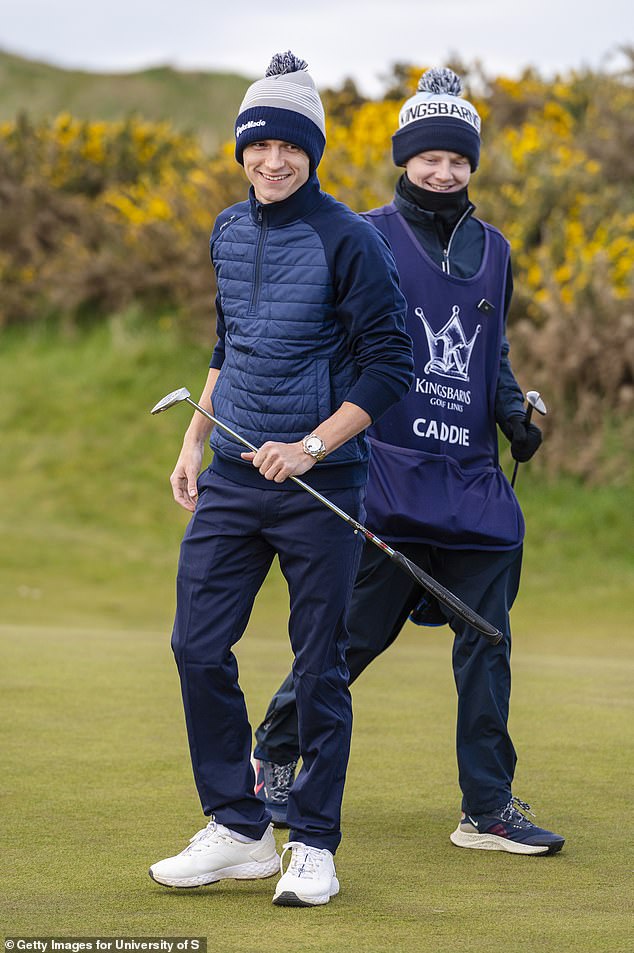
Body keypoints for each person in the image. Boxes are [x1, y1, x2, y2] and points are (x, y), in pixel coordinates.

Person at [252, 67, 565, 856]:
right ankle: (272, 758)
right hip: (382, 474)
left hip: (471, 485)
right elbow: (326, 345)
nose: (444, 170)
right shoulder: (366, 233)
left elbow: (489, 357)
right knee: (349, 642)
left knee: (487, 641)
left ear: (472, 164)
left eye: (458, 158)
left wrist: (513, 415)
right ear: (405, 157)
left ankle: (486, 808)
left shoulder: (494, 250)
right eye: (429, 156)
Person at [148, 51, 414, 906]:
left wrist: (309, 445)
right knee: (196, 645)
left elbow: (390, 365)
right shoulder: (227, 229)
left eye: (290, 146)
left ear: (313, 152)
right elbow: (231, 349)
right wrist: (195, 441)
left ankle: (316, 844)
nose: (273, 160)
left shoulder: (351, 238)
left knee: (318, 666)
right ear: (242, 151)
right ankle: (239, 826)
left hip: (321, 486)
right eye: (259, 145)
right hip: (231, 477)